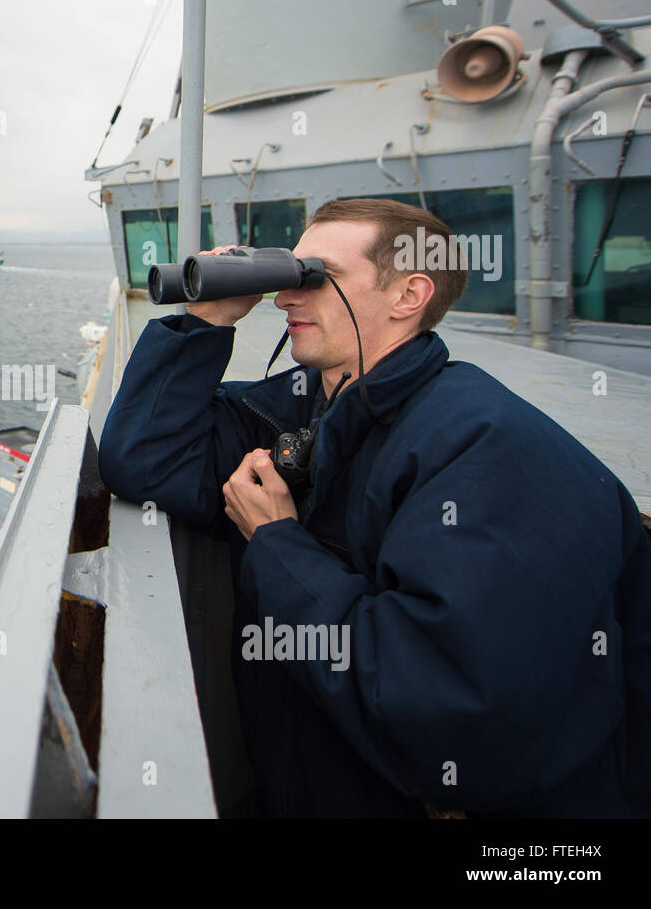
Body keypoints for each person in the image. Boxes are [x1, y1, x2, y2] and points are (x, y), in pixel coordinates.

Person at [97, 197, 651, 817]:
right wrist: (206, 320)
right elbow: (142, 458)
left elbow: (444, 709)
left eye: (314, 276)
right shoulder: (293, 409)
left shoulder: (488, 448)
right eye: (285, 273)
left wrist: (278, 543)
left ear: (408, 295)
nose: (283, 298)